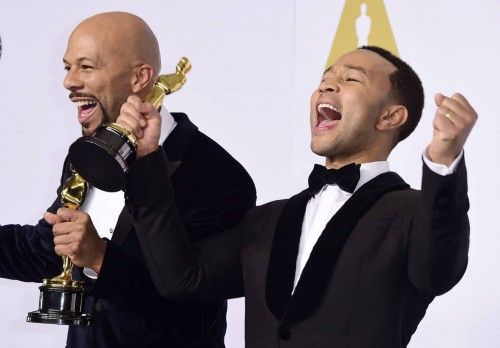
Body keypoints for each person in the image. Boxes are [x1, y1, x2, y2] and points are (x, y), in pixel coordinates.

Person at [106, 46, 477, 347]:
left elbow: (436, 272)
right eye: (324, 80)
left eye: (350, 79)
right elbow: (182, 279)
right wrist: (147, 162)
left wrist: (443, 164)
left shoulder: (413, 213)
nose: (327, 88)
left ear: (390, 117)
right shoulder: (266, 220)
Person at [0, 11, 256, 348]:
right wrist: (77, 249)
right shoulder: (85, 155)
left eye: (86, 67)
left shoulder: (219, 175)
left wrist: (99, 259)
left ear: (140, 78)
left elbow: (194, 316)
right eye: (68, 67)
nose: (69, 82)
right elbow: (48, 252)